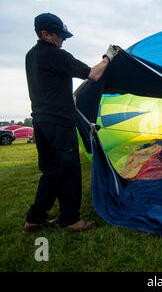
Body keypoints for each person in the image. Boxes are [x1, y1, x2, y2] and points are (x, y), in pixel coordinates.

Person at [23, 13, 119, 233]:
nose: (63, 40)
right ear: (45, 34)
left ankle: (34, 218)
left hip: (40, 121)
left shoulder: (31, 56)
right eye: (60, 35)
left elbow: (49, 87)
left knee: (51, 172)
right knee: (68, 170)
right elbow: (93, 75)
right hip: (59, 123)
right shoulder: (56, 55)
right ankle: (71, 219)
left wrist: (68, 97)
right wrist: (108, 57)